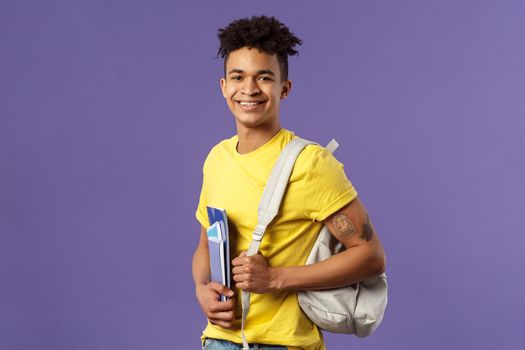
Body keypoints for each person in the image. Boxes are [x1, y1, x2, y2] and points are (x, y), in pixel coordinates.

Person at [192, 16, 385, 350]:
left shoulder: (310, 163)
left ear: (284, 88)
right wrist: (200, 287)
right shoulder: (217, 159)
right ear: (223, 86)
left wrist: (276, 278)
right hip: (218, 341)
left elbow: (369, 255)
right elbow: (206, 241)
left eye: (264, 77)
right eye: (238, 77)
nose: (249, 89)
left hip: (284, 344)